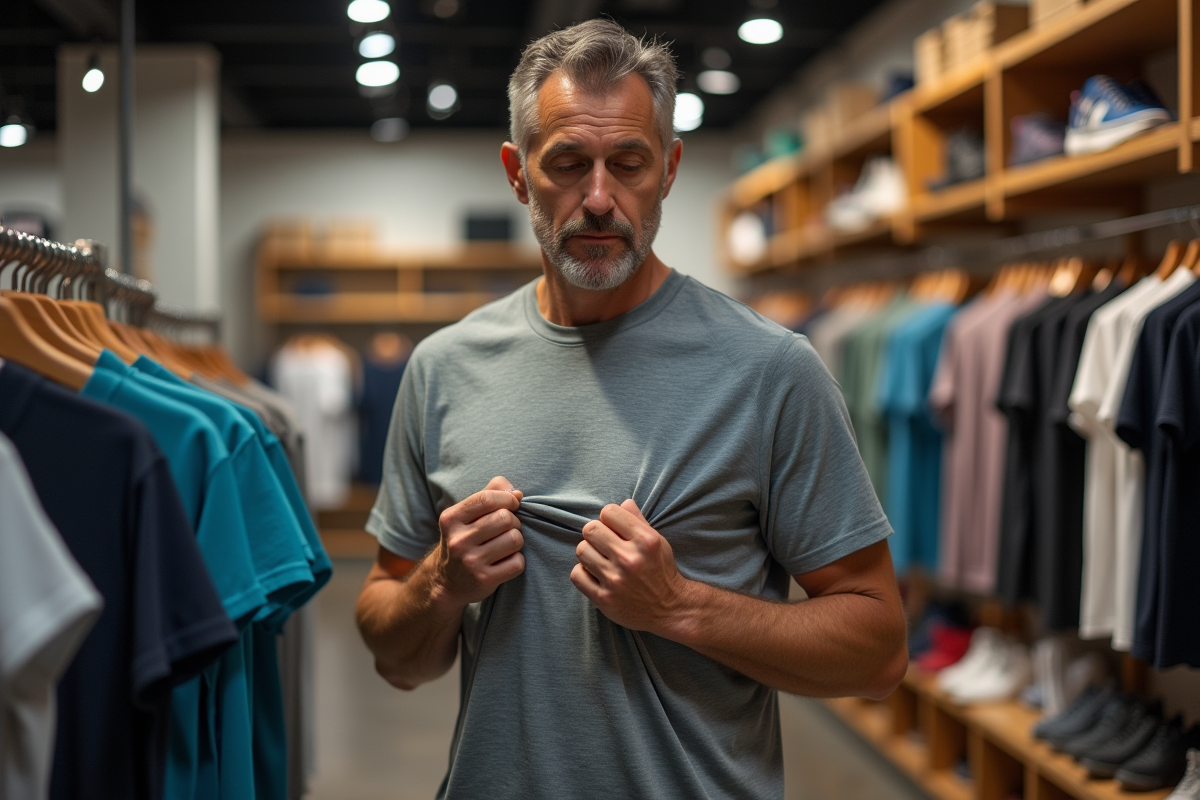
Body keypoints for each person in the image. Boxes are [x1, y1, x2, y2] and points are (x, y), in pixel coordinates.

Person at [355, 19, 907, 799]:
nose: (600, 199)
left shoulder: (770, 369)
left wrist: (681, 607)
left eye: (629, 164)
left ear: (671, 169)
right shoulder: (444, 368)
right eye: (569, 164)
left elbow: (878, 652)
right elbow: (394, 653)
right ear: (518, 173)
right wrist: (441, 582)